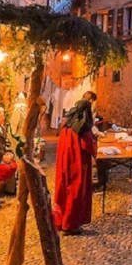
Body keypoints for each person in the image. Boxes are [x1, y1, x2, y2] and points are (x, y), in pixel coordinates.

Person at [53, 91, 97, 235]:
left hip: (64, 165)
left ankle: (61, 221)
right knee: (75, 191)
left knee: (64, 190)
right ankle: (69, 224)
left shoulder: (67, 126)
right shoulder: (81, 129)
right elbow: (87, 145)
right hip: (77, 165)